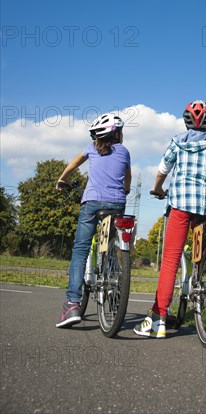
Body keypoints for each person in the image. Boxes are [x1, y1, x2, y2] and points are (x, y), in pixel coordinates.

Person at [134, 100, 206, 339]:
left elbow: (162, 171)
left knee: (170, 260)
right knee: (201, 255)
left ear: (186, 121)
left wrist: (157, 189)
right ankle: (203, 282)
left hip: (180, 205)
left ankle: (158, 319)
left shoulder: (176, 142)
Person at [56, 112, 132, 328]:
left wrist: (62, 180)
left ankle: (72, 304)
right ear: (117, 133)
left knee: (80, 250)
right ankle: (111, 285)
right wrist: (125, 190)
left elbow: (73, 165)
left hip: (91, 204)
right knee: (110, 248)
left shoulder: (91, 148)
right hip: (116, 204)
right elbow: (128, 178)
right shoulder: (124, 151)